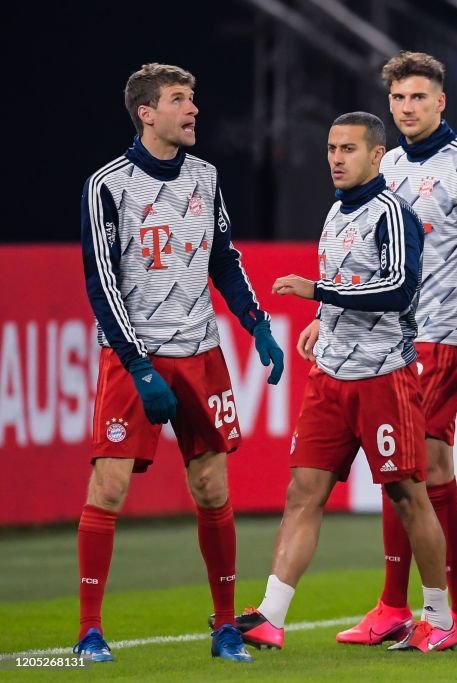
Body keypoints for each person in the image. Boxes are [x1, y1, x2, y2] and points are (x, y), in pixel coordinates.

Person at [299, 51, 457, 647]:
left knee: (422, 471)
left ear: (440, 102)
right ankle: (414, 608)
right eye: (398, 99)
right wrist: (325, 312)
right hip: (392, 341)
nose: (407, 108)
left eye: (418, 97)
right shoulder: (382, 163)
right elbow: (355, 252)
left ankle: (451, 612)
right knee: (415, 473)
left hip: (444, 338)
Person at [74, 63, 283, 664]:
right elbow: (101, 280)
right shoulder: (108, 186)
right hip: (132, 357)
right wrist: (138, 366)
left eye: (193, 98)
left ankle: (223, 628)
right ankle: (90, 631)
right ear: (146, 113)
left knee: (212, 487)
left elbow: (224, 257)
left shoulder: (206, 176)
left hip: (201, 354)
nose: (193, 109)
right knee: (109, 487)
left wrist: (257, 324)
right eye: (178, 100)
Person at [234, 112, 456, 654]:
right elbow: (346, 284)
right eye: (332, 147)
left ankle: (440, 616)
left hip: (384, 378)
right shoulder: (336, 212)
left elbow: (399, 290)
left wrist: (318, 294)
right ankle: (271, 615)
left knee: (409, 495)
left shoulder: (393, 214)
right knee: (302, 494)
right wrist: (322, 318)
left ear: (376, 156)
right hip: (331, 378)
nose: (336, 158)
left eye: (349, 149)